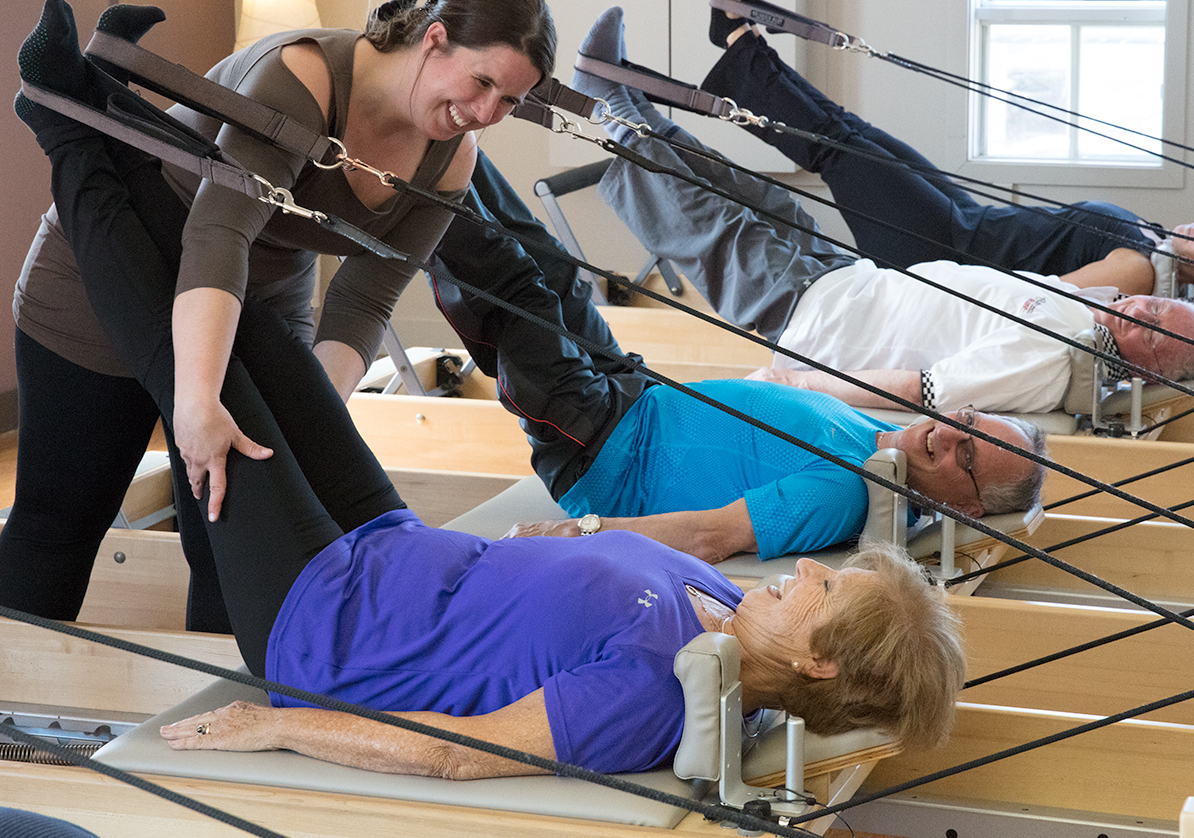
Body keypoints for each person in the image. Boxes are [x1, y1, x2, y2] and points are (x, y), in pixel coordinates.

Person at [10, 23, 966, 776]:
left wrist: (281, 729)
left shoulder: (655, 694)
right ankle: (123, 120)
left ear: (820, 664)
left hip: (330, 630)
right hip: (401, 557)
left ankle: (68, 127)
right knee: (259, 330)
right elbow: (636, 558)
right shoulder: (728, 611)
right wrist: (568, 545)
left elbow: (456, 754)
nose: (809, 571)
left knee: (195, 381)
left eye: (829, 589)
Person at [0, 0, 552, 632]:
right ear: (436, 41)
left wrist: (310, 419)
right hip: (113, 263)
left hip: (257, 303)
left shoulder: (453, 158)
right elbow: (217, 232)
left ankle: (222, 715)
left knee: (236, 539)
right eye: (483, 83)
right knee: (63, 512)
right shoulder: (305, 75)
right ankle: (5, 732)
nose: (486, 113)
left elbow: (366, 296)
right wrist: (197, 400)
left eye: (510, 101)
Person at [570, 7, 1194, 417]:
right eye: (1159, 305)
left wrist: (795, 390)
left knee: (715, 225)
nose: (1143, 306)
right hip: (858, 284)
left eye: (1156, 322)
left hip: (824, 325)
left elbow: (924, 390)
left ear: (1145, 362)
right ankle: (637, 107)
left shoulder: (1054, 360)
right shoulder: (1089, 316)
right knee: (753, 197)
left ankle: (614, 118)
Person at [426, 163, 1047, 563]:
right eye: (966, 421)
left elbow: (709, 537)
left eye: (966, 455)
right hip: (634, 394)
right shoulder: (880, 439)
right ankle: (449, 128)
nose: (948, 434)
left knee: (515, 286)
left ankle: (399, 175)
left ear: (963, 508)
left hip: (601, 451)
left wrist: (577, 537)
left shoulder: (850, 490)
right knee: (553, 267)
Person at [699, 0, 1194, 299]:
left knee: (841, 150)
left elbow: (1039, 301)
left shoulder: (1139, 270)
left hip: (943, 249)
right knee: (852, 133)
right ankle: (741, 40)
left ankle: (736, 48)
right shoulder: (1149, 239)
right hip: (963, 218)